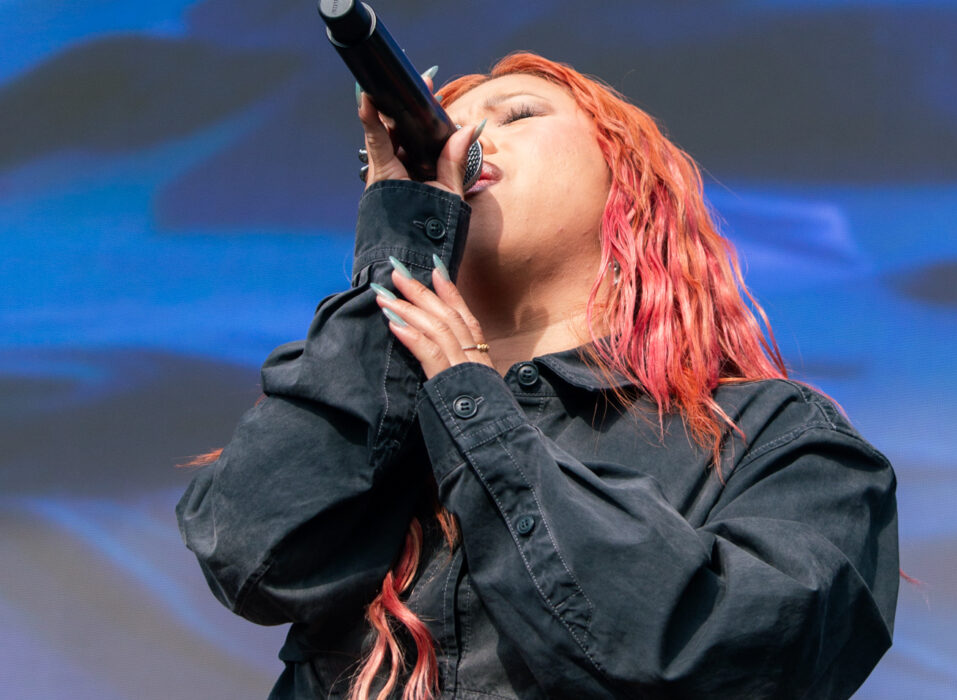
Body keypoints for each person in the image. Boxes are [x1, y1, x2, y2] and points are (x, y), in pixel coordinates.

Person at [176, 52, 899, 700]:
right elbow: (248, 557)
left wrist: (473, 404)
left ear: (628, 184)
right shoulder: (359, 402)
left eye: (517, 115)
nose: (464, 142)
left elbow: (734, 655)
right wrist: (397, 252)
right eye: (445, 131)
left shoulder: (773, 437)